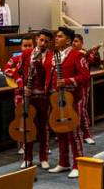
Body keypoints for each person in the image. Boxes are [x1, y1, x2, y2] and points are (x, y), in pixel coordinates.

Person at [45, 26, 90, 178]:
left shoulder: (77, 55)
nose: (56, 39)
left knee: (73, 132)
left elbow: (85, 77)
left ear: (68, 40)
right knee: (60, 130)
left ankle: (78, 163)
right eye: (56, 36)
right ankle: (63, 162)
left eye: (60, 36)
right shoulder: (54, 55)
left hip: (73, 99)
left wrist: (67, 81)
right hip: (56, 99)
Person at [17, 30, 53, 169]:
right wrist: (22, 86)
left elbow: (48, 75)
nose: (43, 43)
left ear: (49, 43)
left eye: (46, 41)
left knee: (43, 127)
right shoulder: (27, 54)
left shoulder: (51, 56)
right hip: (29, 96)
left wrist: (39, 63)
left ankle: (44, 157)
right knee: (28, 127)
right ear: (37, 39)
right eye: (41, 40)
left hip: (43, 96)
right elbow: (17, 72)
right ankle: (27, 158)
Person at [71, 34, 96, 145]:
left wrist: (92, 53)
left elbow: (93, 61)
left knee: (82, 111)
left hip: (83, 87)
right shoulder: (68, 54)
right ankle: (70, 132)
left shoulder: (85, 54)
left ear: (81, 43)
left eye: (76, 41)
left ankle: (86, 134)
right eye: (72, 41)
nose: (74, 43)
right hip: (71, 86)